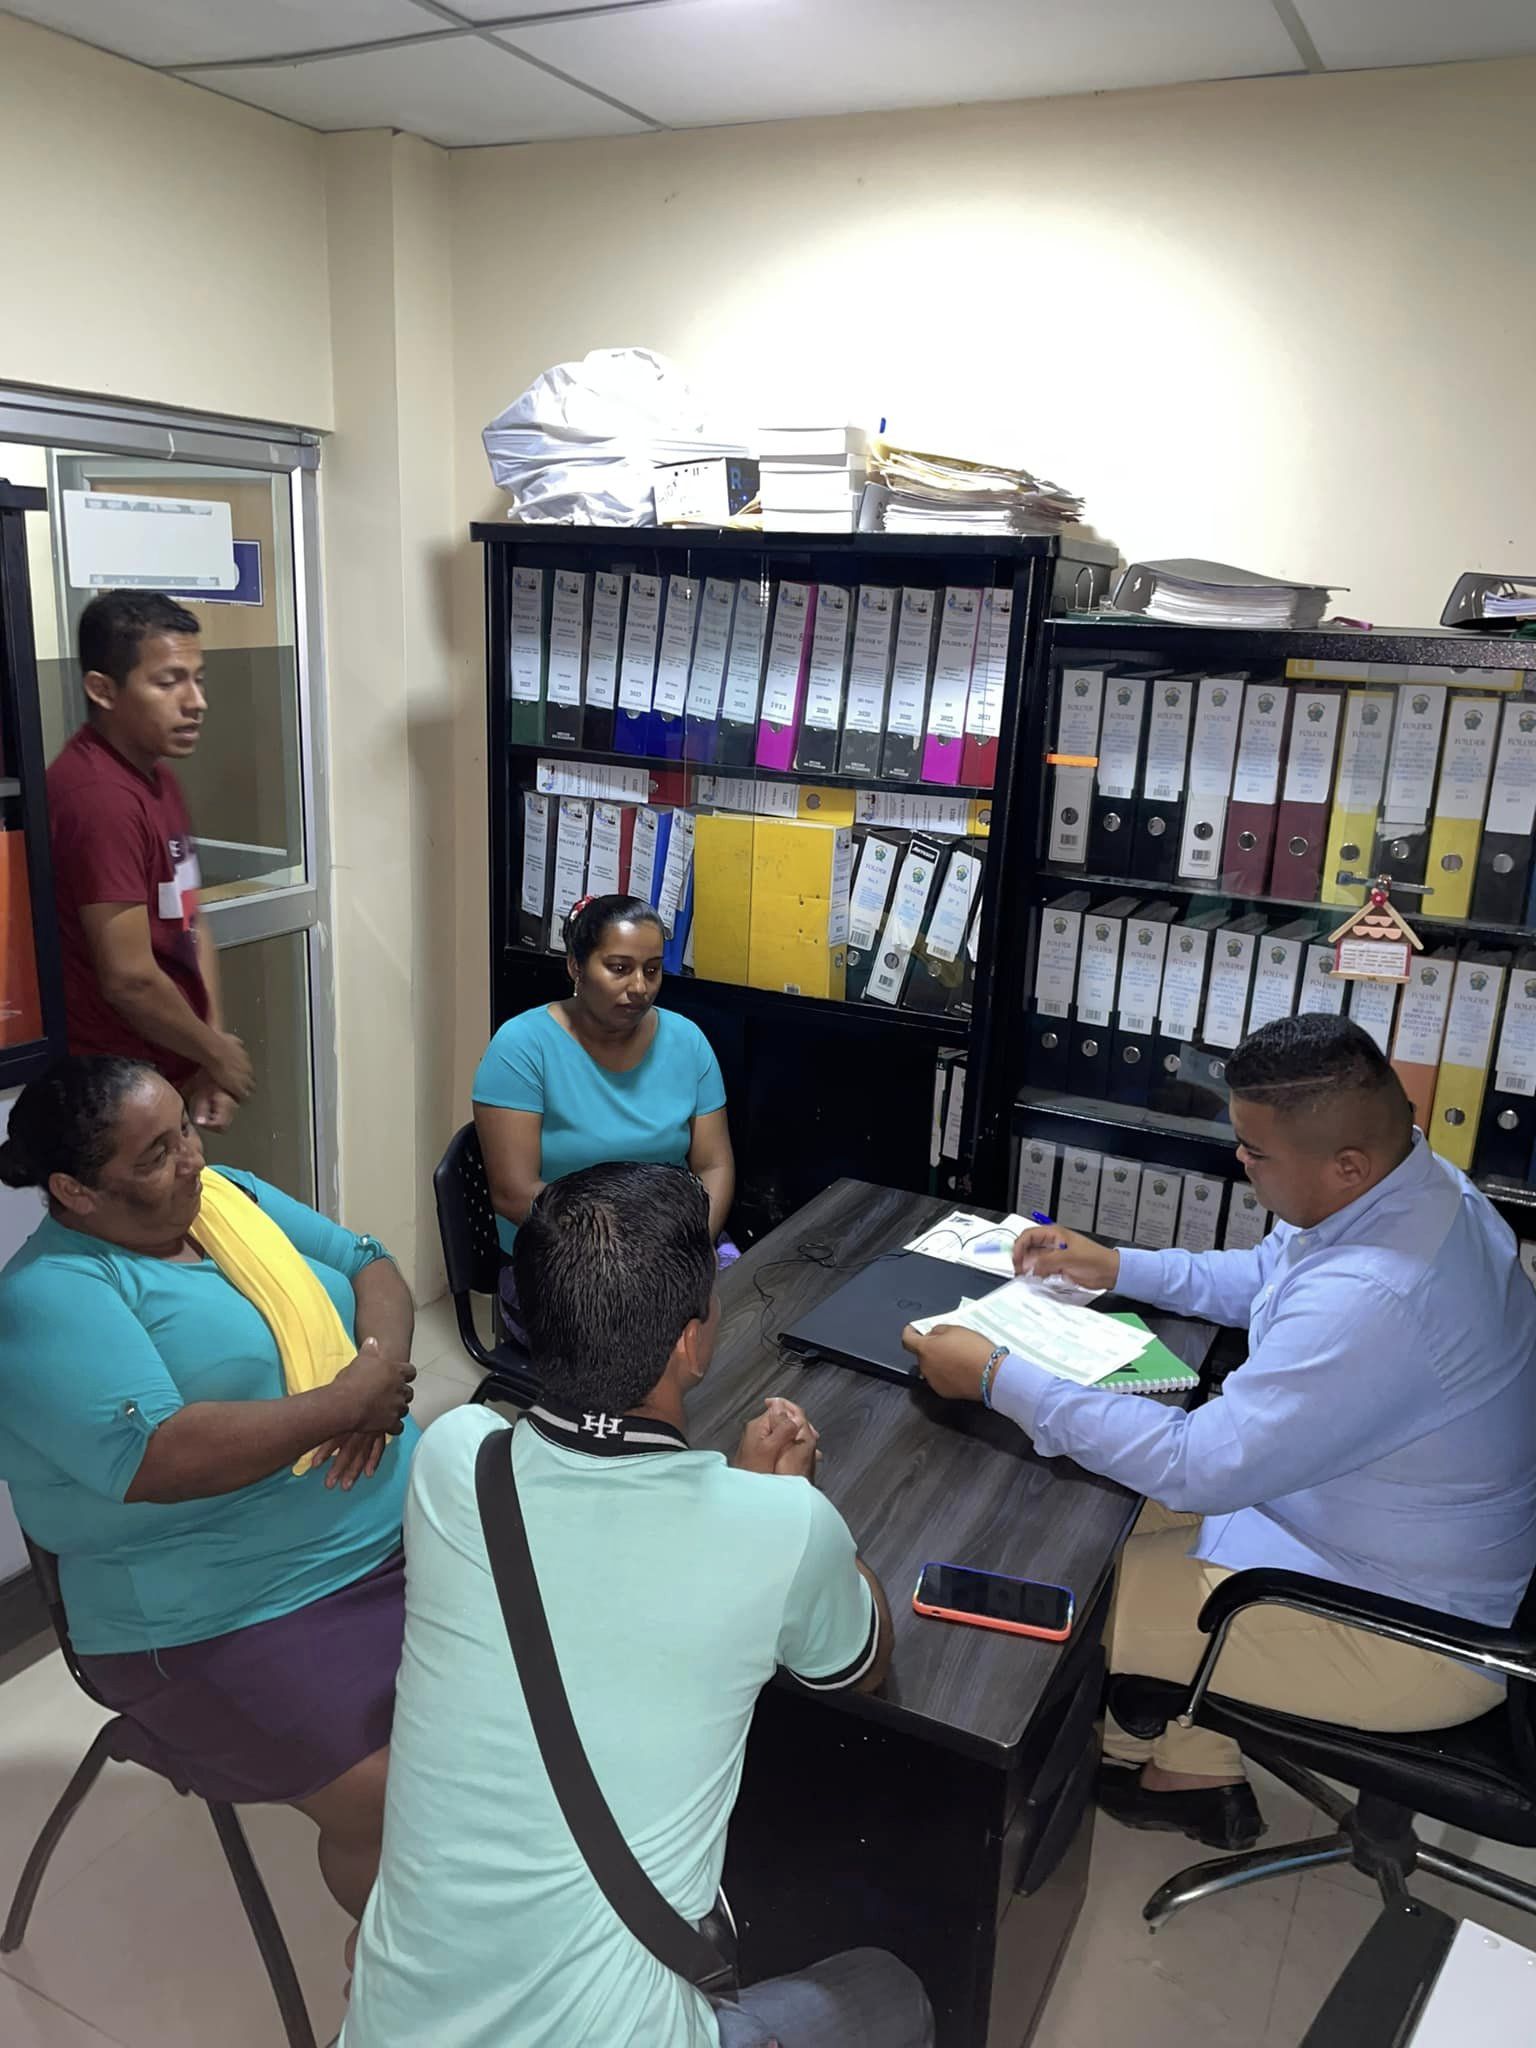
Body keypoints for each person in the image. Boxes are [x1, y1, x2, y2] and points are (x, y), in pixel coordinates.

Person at [904, 1013, 1536, 1851]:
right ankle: (1189, 1770)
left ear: (1348, 1164)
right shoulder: (1419, 1189)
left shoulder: (1379, 1297)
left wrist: (994, 1375)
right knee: (1081, 1512)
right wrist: (1117, 1265)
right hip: (1357, 1529)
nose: (1239, 1159)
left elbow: (1195, 1464)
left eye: (1254, 1150)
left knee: (1058, 1597)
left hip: (1408, 1632)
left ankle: (1030, 1807)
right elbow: (1271, 1275)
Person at [344, 1160, 932, 2048]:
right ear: (692, 1343)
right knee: (893, 1991)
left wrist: (746, 1508)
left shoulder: (455, 1459)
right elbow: (862, 1663)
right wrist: (783, 1503)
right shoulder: (781, 1527)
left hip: (392, 2031)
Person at [0, 1057, 419, 1927]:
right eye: (156, 1154)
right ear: (74, 1191)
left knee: (529, 1704)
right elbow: (163, 1456)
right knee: (397, 1797)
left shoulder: (229, 1199)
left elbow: (370, 1266)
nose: (193, 1158)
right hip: (221, 1614)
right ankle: (412, 1980)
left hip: (392, 1540)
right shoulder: (50, 1295)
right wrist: (345, 1404)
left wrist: (375, 1373)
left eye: (183, 1129)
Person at [473, 891, 736, 1330]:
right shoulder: (521, 1048)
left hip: (674, 1243)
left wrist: (689, 1247)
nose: (640, 987)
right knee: (657, 1342)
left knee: (748, 1317)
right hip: (562, 1257)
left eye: (652, 970)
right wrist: (623, 1257)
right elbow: (513, 1193)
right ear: (576, 966)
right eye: (619, 968)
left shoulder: (687, 1041)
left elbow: (715, 1165)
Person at [48, 589, 252, 1132]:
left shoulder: (158, 778)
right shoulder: (97, 798)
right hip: (113, 1098)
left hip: (170, 1073)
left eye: (198, 679)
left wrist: (207, 1049)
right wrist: (217, 1053)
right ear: (102, 690)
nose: (196, 701)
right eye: (168, 682)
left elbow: (190, 922)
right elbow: (129, 979)